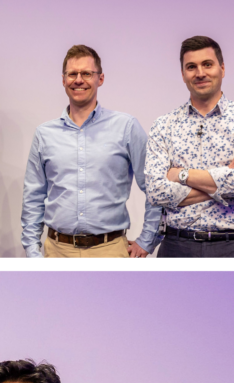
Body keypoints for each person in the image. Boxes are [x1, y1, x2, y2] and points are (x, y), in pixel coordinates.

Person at [21, 45, 160, 258]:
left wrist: (147, 240)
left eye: (87, 73)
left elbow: (154, 188)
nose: (79, 80)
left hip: (111, 250)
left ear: (100, 78)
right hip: (57, 251)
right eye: (72, 74)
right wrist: (32, 250)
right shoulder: (44, 134)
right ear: (63, 79)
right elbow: (34, 195)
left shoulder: (126, 127)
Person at [144, 36, 234, 257]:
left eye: (207, 64)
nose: (200, 73)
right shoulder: (164, 125)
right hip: (176, 246)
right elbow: (155, 192)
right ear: (183, 74)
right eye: (191, 67)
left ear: (222, 68)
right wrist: (225, 176)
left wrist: (180, 175)